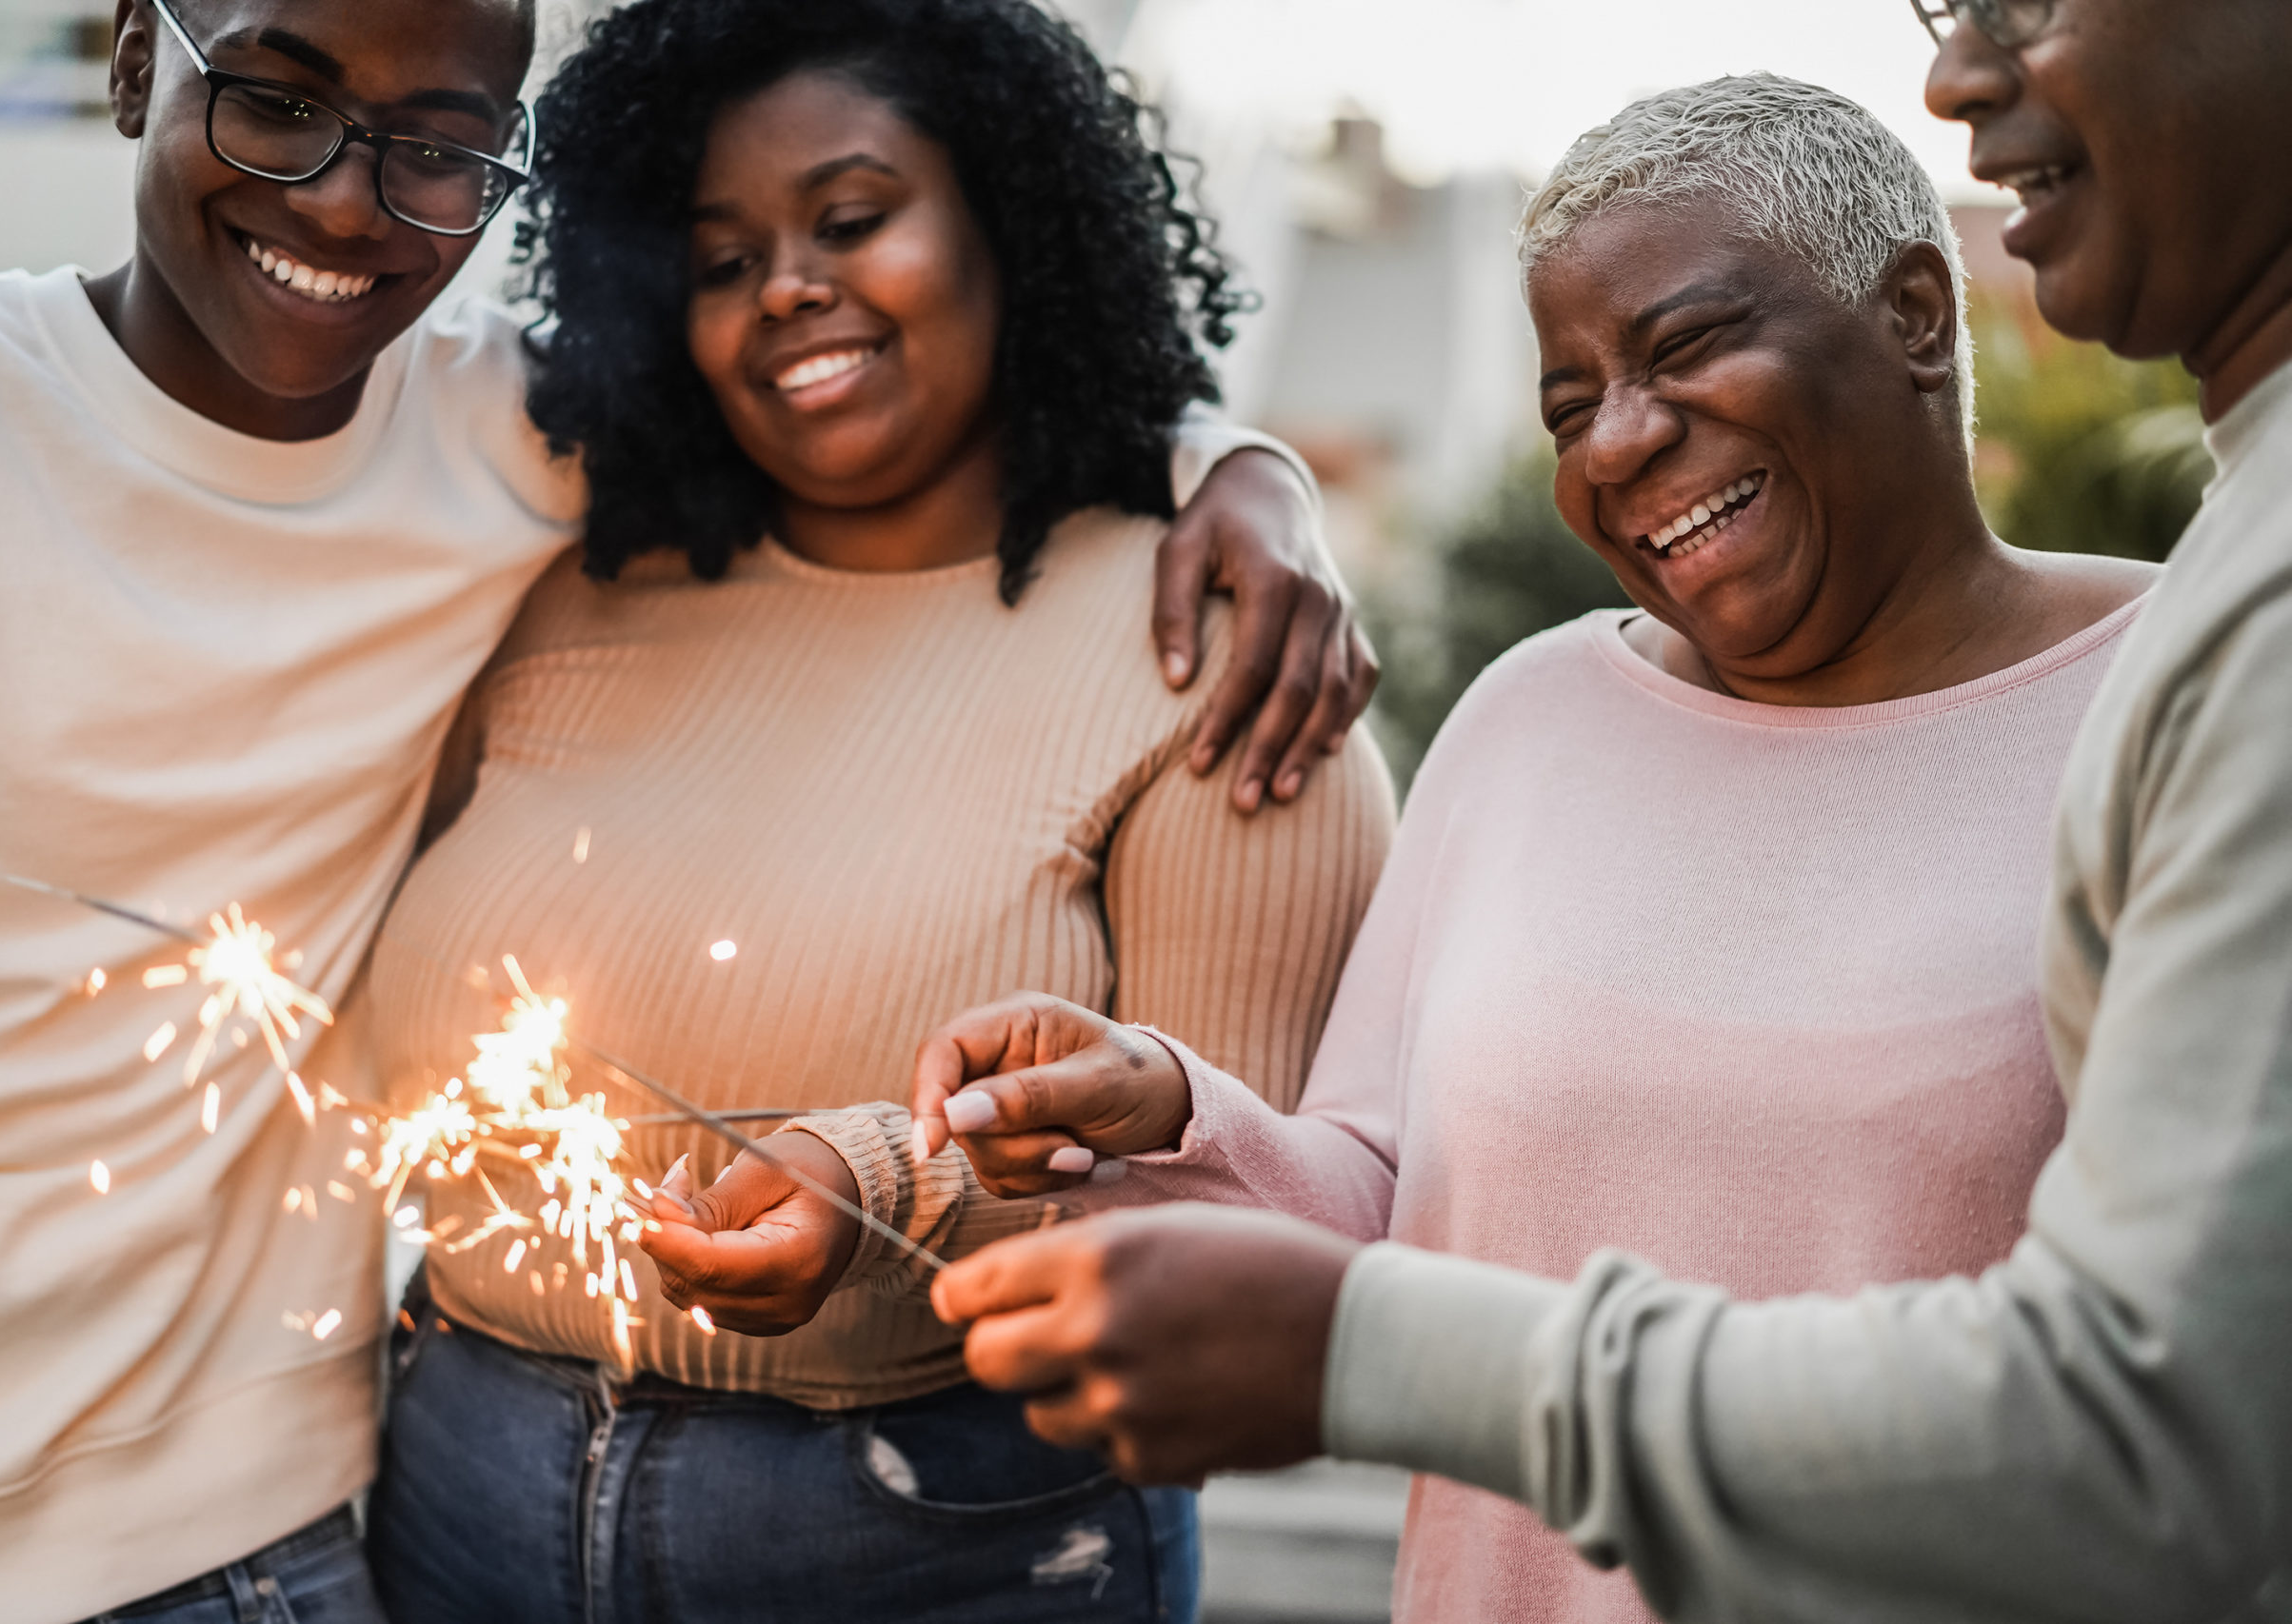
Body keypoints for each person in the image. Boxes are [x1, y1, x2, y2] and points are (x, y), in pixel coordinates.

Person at [0, 1, 1367, 1619]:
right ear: (137, 63)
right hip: (281, 1506)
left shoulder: (1209, 649)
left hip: (341, 1535)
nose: (349, 199)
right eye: (272, 103)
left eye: (435, 146)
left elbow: (1239, 1200)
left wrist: (1245, 460)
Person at [927, 5, 2292, 1621]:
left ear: (1918, 314)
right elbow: (1390, 1186)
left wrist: (1375, 1351)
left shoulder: (2186, 676)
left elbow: (2160, 1390)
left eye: (1687, 345)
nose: (1621, 441)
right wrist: (1168, 1110)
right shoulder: (1528, 717)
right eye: (1572, 403)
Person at [350, 3, 1396, 1622]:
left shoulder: (1218, 646)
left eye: (852, 219)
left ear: (1008, 222)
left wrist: (892, 1178)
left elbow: (1241, 1199)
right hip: (456, 1487)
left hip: (940, 1535)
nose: (785, 288)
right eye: (717, 259)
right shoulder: (569, 587)